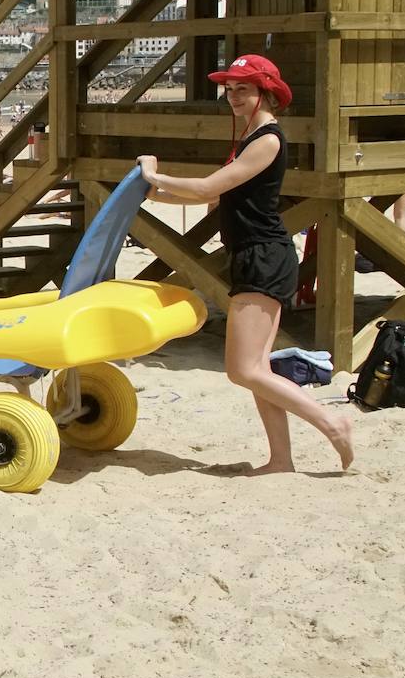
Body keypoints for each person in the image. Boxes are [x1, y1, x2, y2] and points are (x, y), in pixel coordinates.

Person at [138, 54, 352, 475]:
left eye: (244, 89)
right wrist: (155, 194)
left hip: (264, 257)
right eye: (230, 89)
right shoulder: (251, 138)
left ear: (266, 93)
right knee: (257, 368)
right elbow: (220, 196)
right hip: (254, 255)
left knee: (242, 370)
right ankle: (281, 460)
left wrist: (154, 176)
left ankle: (333, 423)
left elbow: (207, 187)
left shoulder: (268, 139)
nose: (233, 96)